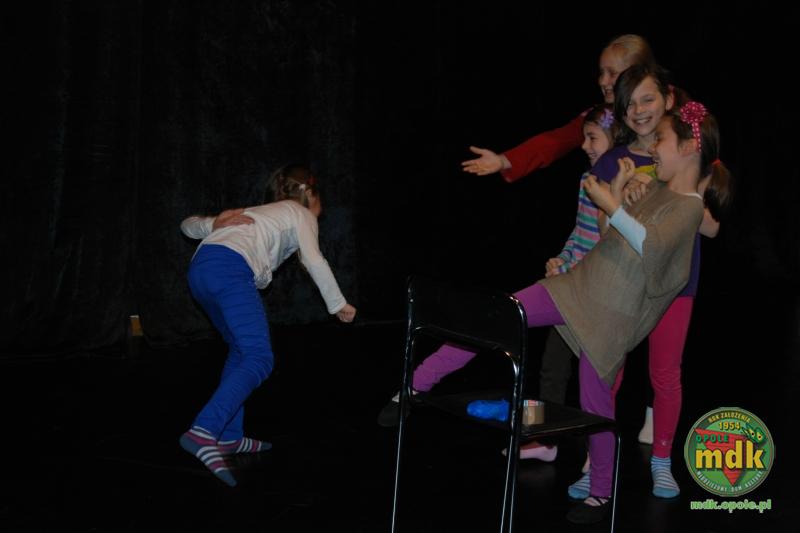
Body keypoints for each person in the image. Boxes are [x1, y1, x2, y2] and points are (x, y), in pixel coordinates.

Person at [393, 101, 730, 524]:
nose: (653, 148)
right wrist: (619, 193)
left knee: (594, 402)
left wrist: (612, 203)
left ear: (687, 147)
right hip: (578, 287)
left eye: (660, 140)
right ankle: (414, 385)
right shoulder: (655, 188)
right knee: (500, 317)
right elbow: (610, 236)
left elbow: (653, 248)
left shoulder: (690, 206)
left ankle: (601, 491)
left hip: (611, 315)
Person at [177, 164, 356, 486]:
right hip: (230, 269)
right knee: (259, 357)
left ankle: (229, 437)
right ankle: (203, 431)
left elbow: (187, 226)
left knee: (240, 351)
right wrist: (338, 304)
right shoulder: (299, 212)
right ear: (309, 194)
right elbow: (314, 259)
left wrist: (211, 223)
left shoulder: (255, 213)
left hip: (201, 272)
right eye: (320, 198)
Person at [460, 34, 655, 181]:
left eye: (612, 73)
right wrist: (504, 160)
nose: (602, 81)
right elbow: (555, 141)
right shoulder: (599, 117)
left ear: (638, 72)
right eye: (601, 72)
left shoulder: (664, 106)